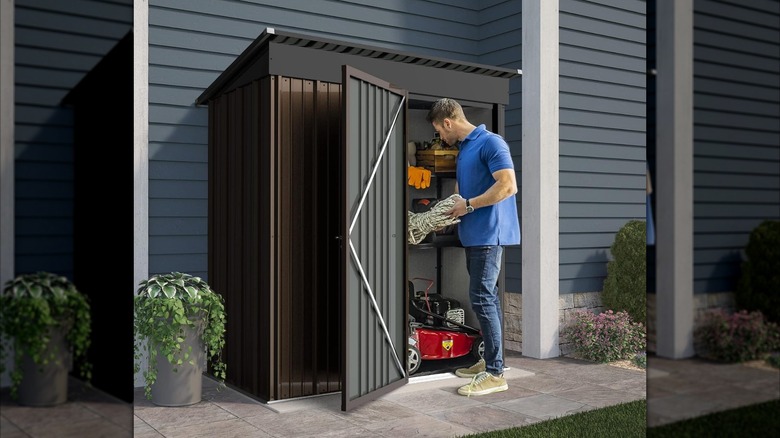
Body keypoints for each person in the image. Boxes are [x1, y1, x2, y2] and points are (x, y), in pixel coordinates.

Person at [426, 98, 521, 396]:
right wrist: (445, 216)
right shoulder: (465, 149)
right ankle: (490, 361)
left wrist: (467, 206)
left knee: (482, 299)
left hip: (489, 235)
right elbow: (461, 193)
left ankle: (495, 373)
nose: (441, 137)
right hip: (473, 234)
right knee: (485, 299)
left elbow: (507, 186)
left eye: (439, 131)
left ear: (448, 122)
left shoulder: (492, 143)